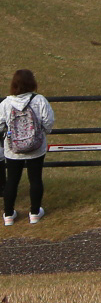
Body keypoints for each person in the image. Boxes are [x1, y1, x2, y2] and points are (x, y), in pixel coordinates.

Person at [1, 70, 54, 226]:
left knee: (12, 180)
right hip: (36, 147)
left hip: (13, 149)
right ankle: (35, 212)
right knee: (35, 178)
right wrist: (40, 133)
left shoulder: (6, 103)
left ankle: (9, 214)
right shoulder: (39, 100)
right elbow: (48, 122)